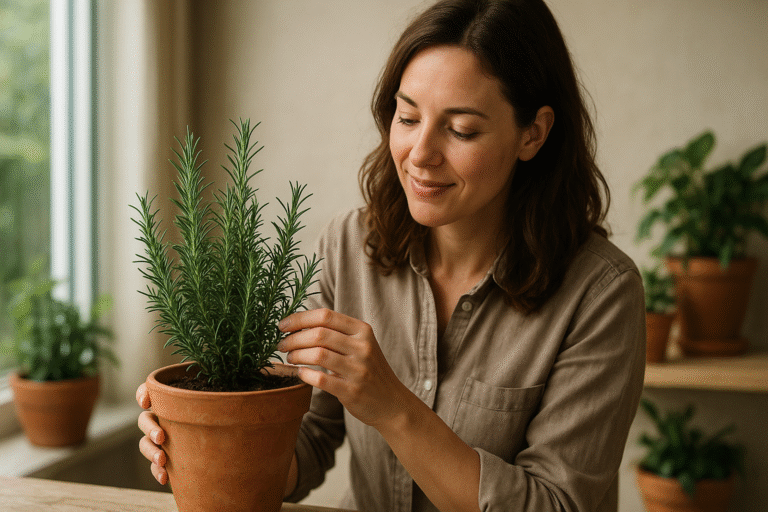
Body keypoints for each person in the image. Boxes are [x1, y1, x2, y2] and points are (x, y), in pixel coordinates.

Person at [137, 0, 646, 511]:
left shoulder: (601, 293)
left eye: (461, 130)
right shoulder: (347, 246)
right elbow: (308, 439)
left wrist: (392, 407)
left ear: (532, 133)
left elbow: (557, 504)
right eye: (408, 117)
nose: (420, 153)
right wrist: (202, 439)